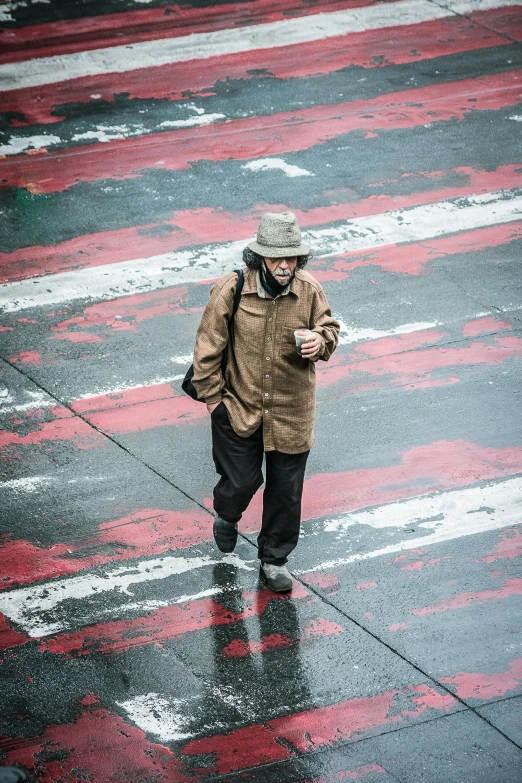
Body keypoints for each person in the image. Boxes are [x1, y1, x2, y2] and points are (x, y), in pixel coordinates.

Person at [192, 211, 340, 592]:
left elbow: (329, 329)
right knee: (240, 483)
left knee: (286, 493)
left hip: (292, 412)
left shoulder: (309, 290)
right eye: (277, 257)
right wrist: (213, 401)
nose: (285, 265)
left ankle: (274, 559)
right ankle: (226, 515)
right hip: (238, 406)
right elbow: (207, 349)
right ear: (260, 257)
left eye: (292, 257)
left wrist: (319, 343)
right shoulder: (233, 288)